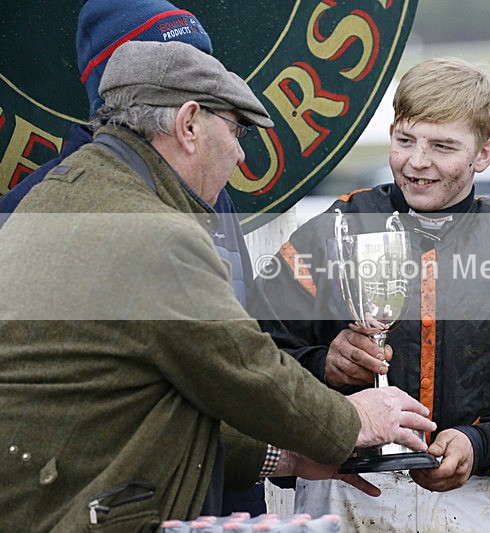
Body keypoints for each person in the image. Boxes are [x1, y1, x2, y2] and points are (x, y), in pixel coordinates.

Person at [0, 40, 438, 532]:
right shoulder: (154, 234)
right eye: (235, 131)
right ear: (189, 125)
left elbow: (143, 401)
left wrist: (289, 458)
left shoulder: (54, 196)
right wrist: (354, 421)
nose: (237, 155)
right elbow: (245, 369)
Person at [253, 57, 490, 533]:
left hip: (470, 499)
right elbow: (252, 360)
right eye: (405, 140)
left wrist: (477, 443)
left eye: (443, 146)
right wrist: (324, 363)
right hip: (341, 489)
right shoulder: (328, 234)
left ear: (484, 155)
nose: (417, 161)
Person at [0, 0, 281, 515]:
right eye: (178, 67)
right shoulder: (30, 210)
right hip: (108, 507)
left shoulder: (213, 194)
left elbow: (242, 344)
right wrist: (335, 430)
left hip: (228, 497)